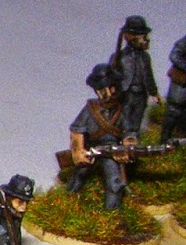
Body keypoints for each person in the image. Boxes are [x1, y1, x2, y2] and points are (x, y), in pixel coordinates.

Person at [67, 63, 134, 210]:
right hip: (90, 149)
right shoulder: (90, 109)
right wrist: (78, 151)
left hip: (111, 151)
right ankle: (67, 203)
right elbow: (76, 130)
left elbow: (129, 132)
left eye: (112, 87)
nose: (110, 92)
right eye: (104, 89)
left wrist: (127, 146)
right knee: (79, 176)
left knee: (114, 183)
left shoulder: (121, 110)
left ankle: (111, 214)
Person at [110, 15, 159, 138]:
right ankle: (126, 138)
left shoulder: (145, 57)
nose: (146, 39)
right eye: (143, 36)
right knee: (125, 116)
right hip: (126, 93)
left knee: (138, 116)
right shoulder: (119, 57)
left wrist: (153, 93)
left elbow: (149, 75)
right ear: (132, 37)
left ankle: (134, 137)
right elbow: (111, 75)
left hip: (141, 94)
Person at [163, 32, 186, 143]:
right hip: (181, 82)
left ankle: (181, 142)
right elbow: (174, 55)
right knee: (173, 112)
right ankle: (164, 141)